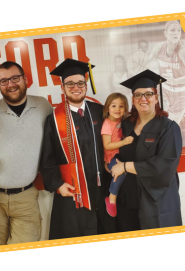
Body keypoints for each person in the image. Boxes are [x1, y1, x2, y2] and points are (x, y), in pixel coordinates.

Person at [0, 61, 53, 247]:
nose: (10, 84)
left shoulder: (43, 106)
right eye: (3, 81)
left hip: (26, 198)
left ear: (25, 79)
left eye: (15, 78)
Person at [40, 58, 116, 239]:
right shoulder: (54, 119)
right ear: (62, 87)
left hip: (102, 188)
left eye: (80, 82)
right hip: (72, 192)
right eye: (70, 83)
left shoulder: (101, 111)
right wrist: (58, 184)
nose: (76, 87)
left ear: (86, 84)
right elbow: (47, 156)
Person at [111, 69, 183, 231]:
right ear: (133, 100)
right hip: (128, 201)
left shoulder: (168, 128)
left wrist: (124, 166)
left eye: (148, 94)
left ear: (156, 98)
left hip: (156, 202)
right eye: (138, 95)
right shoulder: (125, 125)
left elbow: (164, 165)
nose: (143, 99)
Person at [148, 20, 185, 125]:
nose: (176, 33)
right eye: (173, 30)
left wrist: (175, 81)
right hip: (164, 89)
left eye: (178, 30)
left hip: (179, 93)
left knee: (172, 127)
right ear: (165, 33)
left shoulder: (182, 51)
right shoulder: (159, 47)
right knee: (157, 121)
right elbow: (148, 64)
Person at [101, 93, 133, 217]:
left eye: (121, 106)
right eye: (113, 106)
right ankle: (111, 198)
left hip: (120, 154)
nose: (117, 109)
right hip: (111, 155)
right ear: (107, 108)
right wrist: (123, 142)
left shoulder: (122, 121)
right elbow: (107, 145)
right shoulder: (107, 124)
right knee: (121, 171)